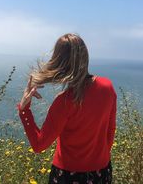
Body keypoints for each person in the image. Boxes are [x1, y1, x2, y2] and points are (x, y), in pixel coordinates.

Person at [16, 33, 117, 184]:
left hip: (68, 176)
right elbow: (110, 131)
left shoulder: (64, 102)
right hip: (101, 173)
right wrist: (98, 158)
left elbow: (39, 145)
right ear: (85, 56)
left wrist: (24, 111)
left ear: (58, 62)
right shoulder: (107, 87)